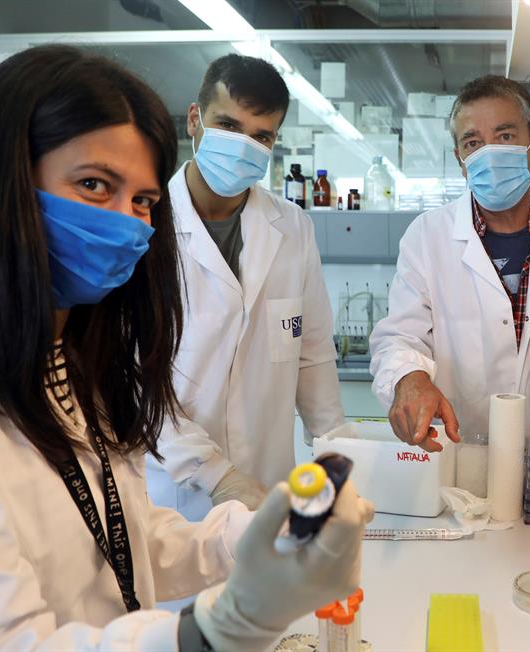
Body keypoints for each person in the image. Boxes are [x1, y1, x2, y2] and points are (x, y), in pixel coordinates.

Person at [0, 45, 371, 651]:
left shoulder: (76, 370)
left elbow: (126, 538)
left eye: (142, 201)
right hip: (184, 503)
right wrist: (207, 633)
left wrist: (249, 535)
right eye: (93, 184)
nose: (128, 224)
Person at [146, 54, 344, 520]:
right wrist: (218, 476)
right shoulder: (147, 223)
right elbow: (132, 385)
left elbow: (312, 353)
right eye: (228, 125)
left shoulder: (291, 226)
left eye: (261, 136)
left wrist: (336, 455)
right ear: (194, 120)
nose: (243, 146)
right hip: (173, 497)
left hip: (268, 488)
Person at [370, 75, 530, 451]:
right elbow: (401, 337)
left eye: (505, 136)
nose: (489, 154)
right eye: (473, 143)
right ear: (461, 160)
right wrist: (409, 378)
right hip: (460, 448)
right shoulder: (427, 236)